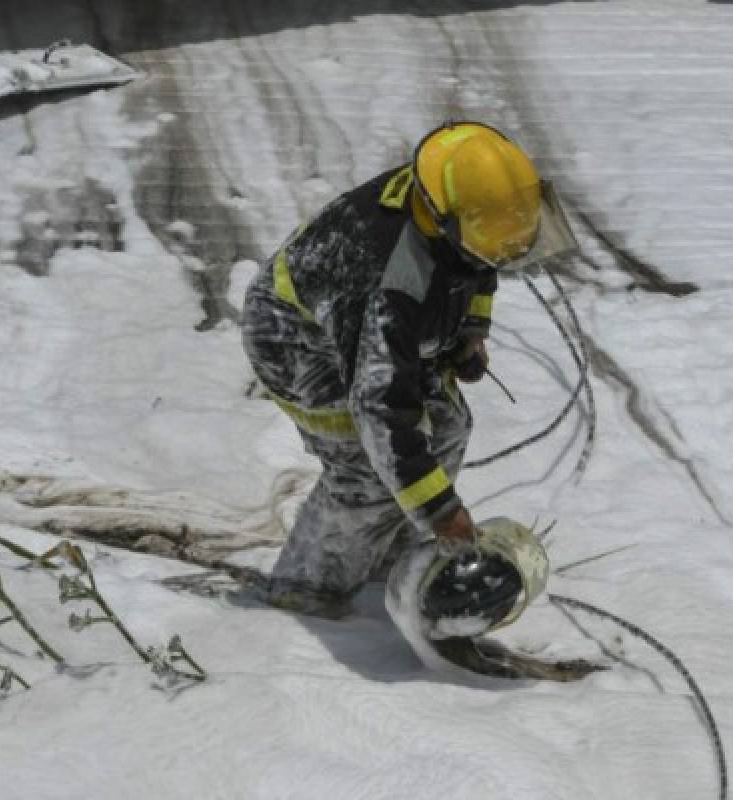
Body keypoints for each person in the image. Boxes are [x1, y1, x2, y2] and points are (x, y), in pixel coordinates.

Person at [240, 121, 575, 619]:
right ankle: (305, 589)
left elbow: (483, 264)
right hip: (298, 340)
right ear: (446, 225)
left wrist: (471, 329)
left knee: (449, 424)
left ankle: (385, 547)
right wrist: (442, 512)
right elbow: (379, 411)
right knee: (364, 473)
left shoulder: (457, 207)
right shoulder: (386, 282)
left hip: (375, 326)